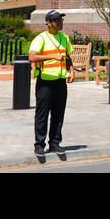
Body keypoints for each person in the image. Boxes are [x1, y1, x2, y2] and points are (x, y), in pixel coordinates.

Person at [28, 10, 74, 159]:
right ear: (48, 23)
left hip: (60, 81)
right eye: (57, 20)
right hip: (45, 82)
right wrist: (52, 56)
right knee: (42, 114)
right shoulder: (41, 38)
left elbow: (67, 56)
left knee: (58, 114)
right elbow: (32, 57)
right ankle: (39, 146)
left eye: (61, 20)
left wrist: (71, 70)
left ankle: (54, 143)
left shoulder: (64, 38)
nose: (60, 23)